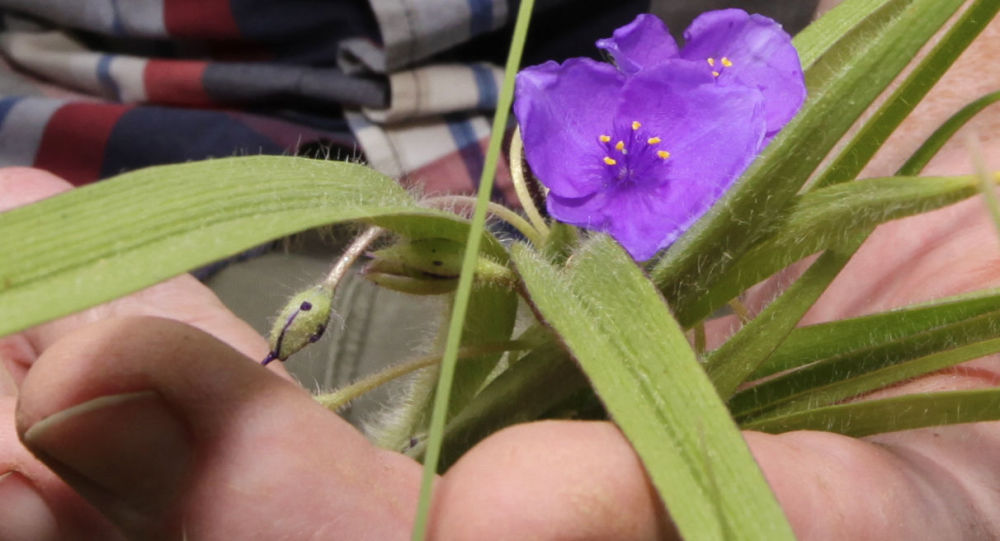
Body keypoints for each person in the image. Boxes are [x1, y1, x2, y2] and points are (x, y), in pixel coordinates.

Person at [5, 1, 1000, 540]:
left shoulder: (679, 122)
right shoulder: (571, 117)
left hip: (506, 200)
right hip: (135, 172)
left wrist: (966, 103)